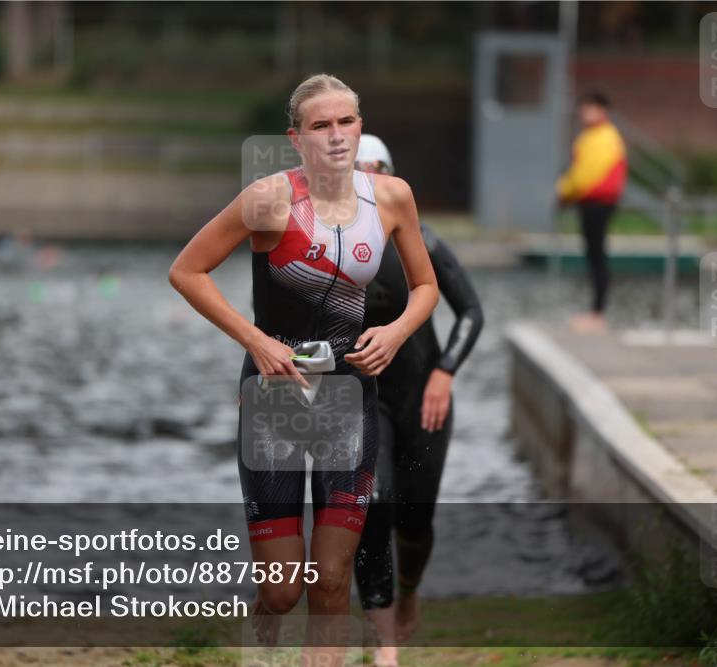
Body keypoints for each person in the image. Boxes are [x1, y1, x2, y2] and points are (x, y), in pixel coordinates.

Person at [168, 74, 439, 665]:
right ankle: (266, 608)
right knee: (285, 589)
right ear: (297, 139)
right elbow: (187, 271)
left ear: (360, 128)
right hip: (275, 396)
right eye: (321, 126)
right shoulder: (269, 199)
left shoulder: (392, 197)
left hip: (349, 394)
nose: (336, 135)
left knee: (333, 575)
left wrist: (395, 332)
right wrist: (256, 340)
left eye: (346, 122)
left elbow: (426, 286)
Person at [352, 136, 484, 667]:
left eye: (377, 169)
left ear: (393, 177)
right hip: (362, 398)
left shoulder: (421, 240)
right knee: (373, 505)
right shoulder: (329, 248)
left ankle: (409, 590)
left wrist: (445, 372)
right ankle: (385, 644)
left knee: (414, 518)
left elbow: (470, 311)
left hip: (422, 397)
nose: (369, 180)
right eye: (359, 171)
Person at [555, 92, 627, 333]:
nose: (584, 113)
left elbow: (586, 175)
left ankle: (598, 313)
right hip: (590, 202)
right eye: (584, 108)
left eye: (589, 108)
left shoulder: (604, 138)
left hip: (599, 203)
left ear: (602, 110)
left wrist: (563, 191)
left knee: (597, 256)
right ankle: (596, 311)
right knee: (594, 255)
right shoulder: (591, 137)